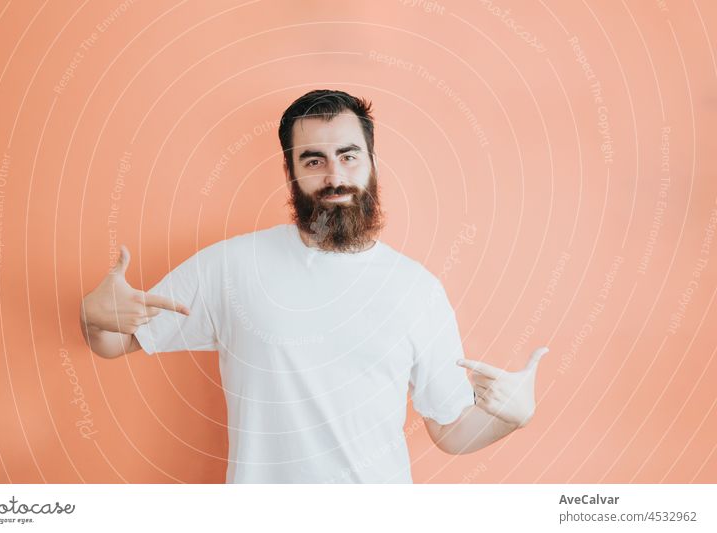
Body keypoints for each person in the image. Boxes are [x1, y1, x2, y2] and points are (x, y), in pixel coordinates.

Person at [79, 89, 549, 483]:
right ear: (290, 171)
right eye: (314, 160)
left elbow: (450, 432)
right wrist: (94, 317)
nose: (335, 177)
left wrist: (510, 418)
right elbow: (115, 342)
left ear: (372, 163)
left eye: (348, 156)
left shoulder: (416, 290)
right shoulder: (231, 266)